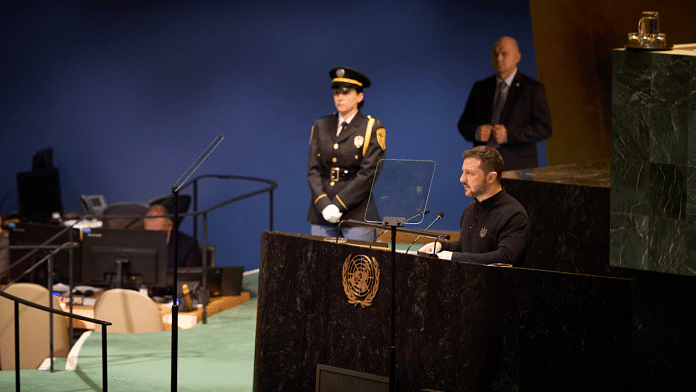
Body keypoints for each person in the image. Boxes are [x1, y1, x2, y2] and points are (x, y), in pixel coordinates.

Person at [307, 66, 386, 240]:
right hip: (322, 212)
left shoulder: (371, 128)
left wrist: (338, 205)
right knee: (321, 265)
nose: (339, 97)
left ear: (359, 96)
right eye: (336, 93)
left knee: (357, 266)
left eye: (346, 93)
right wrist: (324, 204)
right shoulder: (321, 125)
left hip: (357, 213)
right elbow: (313, 170)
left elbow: (368, 174)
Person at [419, 146, 529, 266]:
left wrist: (453, 256)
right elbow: (466, 247)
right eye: (463, 172)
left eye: (470, 173)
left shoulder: (514, 214)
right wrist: (441, 246)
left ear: (491, 177)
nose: (462, 179)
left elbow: (506, 256)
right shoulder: (471, 208)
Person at [457, 36, 552, 171]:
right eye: (495, 54)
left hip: (518, 168)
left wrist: (509, 135)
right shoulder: (480, 87)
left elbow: (544, 128)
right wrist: (477, 132)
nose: (499, 58)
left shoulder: (532, 89)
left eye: (504, 54)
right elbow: (463, 124)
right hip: (484, 167)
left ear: (517, 57)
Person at [144, 204, 201, 269]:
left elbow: (191, 277)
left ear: (170, 226)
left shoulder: (189, 246)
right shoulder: (140, 243)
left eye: (158, 232)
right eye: (149, 232)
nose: (153, 237)